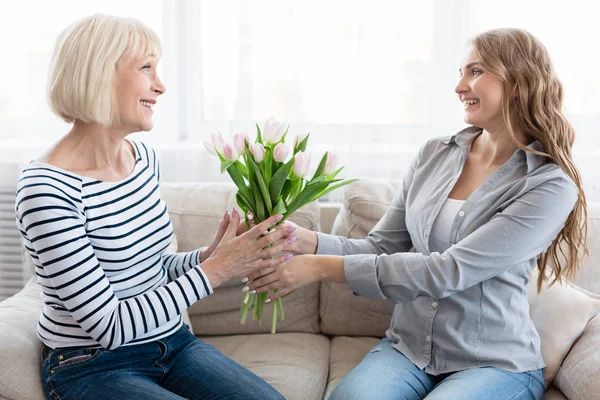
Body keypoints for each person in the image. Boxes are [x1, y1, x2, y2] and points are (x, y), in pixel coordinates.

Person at [244, 28, 589, 400]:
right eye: (460, 72)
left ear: (519, 81)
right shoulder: (434, 155)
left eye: (475, 72)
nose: (459, 86)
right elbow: (380, 246)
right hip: (407, 350)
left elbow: (449, 271)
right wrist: (303, 241)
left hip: (493, 362)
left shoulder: (548, 185)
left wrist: (316, 267)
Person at [15, 14, 292, 400]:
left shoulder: (141, 158)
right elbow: (108, 326)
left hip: (171, 344)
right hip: (91, 365)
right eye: (146, 68)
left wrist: (213, 256)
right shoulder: (46, 189)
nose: (159, 86)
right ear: (98, 74)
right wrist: (218, 269)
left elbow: (155, 269)